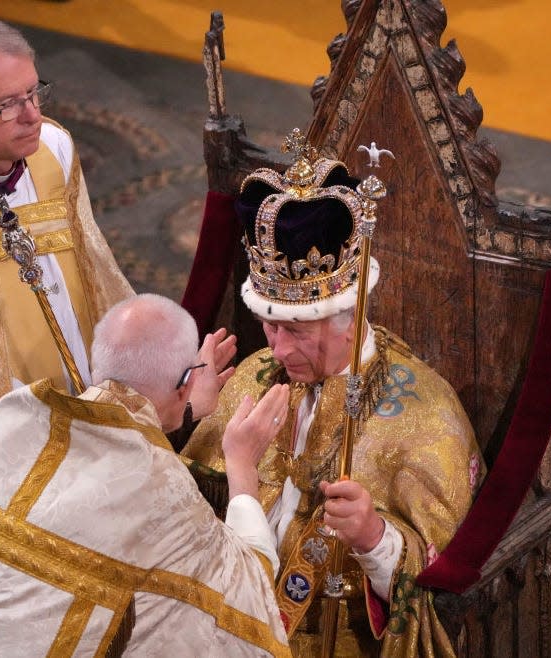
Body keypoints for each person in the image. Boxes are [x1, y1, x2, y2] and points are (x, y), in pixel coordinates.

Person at [182, 138, 485, 657]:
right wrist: (189, 415)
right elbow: (183, 518)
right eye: (267, 326)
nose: (276, 349)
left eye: (297, 331)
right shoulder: (256, 375)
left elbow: (442, 587)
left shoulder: (426, 414)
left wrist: (373, 537)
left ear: (352, 315)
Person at [0, 293, 291, 656]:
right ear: (185, 383)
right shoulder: (160, 488)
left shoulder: (15, 421)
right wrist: (241, 465)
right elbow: (248, 597)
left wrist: (184, 407)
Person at [0, 14, 133, 501]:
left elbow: (95, 267)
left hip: (82, 391)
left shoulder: (54, 147)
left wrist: (130, 365)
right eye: (7, 105)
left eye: (34, 93)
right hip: (1, 422)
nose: (31, 115)